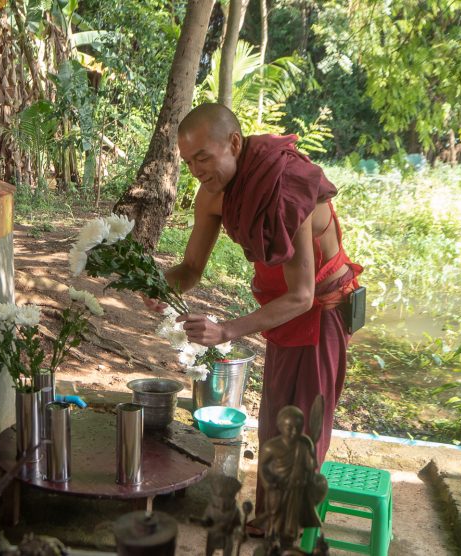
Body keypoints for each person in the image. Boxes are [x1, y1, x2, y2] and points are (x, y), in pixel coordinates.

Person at [142, 102, 362, 520]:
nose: (196, 170)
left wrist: (226, 330)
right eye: (188, 161)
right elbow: (189, 269)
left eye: (203, 157)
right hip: (282, 319)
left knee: (301, 434)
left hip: (320, 316)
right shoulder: (211, 196)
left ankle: (289, 537)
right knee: (274, 428)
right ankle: (269, 527)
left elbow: (302, 295)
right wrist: (156, 287)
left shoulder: (287, 187)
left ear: (235, 143)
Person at [256, 406, 327, 547]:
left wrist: (309, 458)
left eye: (298, 427)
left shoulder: (305, 443)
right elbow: (262, 467)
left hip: (297, 490)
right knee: (274, 521)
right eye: (289, 427)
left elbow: (311, 466)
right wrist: (267, 483)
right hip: (278, 488)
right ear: (280, 426)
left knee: (291, 525)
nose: (293, 431)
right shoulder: (271, 447)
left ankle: (287, 545)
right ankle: (271, 542)